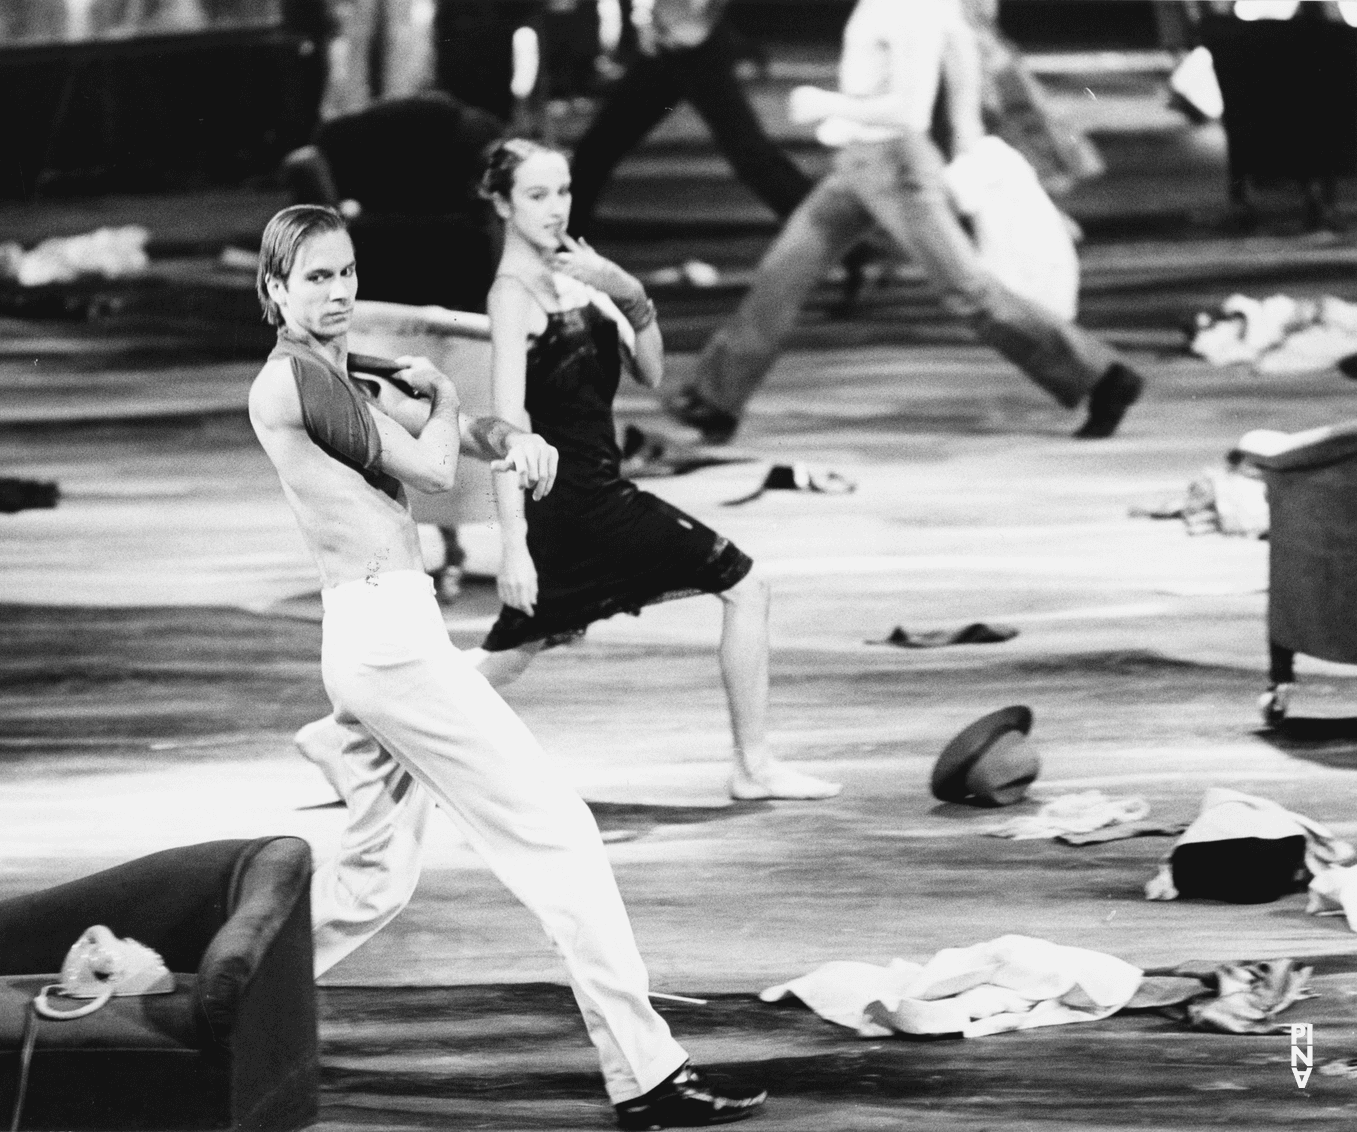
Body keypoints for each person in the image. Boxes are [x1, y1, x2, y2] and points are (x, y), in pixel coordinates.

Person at [248, 204, 766, 1129]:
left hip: (383, 640)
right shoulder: (293, 381)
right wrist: (450, 406)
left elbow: (463, 433)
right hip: (389, 645)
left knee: (373, 884)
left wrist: (510, 437)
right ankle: (646, 1077)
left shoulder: (339, 363)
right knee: (559, 833)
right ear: (275, 288)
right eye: (318, 277)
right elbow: (430, 467)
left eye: (347, 273)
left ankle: (201, 993)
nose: (338, 292)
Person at [472, 138, 840, 802]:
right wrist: (513, 549)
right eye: (536, 196)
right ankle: (752, 767)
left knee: (517, 649)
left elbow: (650, 370)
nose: (555, 209)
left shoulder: (572, 275)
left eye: (563, 192)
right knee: (743, 582)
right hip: (578, 501)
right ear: (500, 203)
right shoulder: (511, 295)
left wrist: (631, 293)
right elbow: (507, 429)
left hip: (594, 491)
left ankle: (352, 733)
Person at [667, 0, 1146, 445]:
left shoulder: (906, 9)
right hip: (860, 164)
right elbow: (961, 39)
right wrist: (963, 125)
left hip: (894, 167)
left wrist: (824, 104)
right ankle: (715, 401)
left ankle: (1104, 378)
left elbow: (908, 112)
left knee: (968, 291)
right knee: (781, 274)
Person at [566, 0, 812, 236]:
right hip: (677, 38)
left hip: (687, 42)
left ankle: (826, 230)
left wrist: (668, 23)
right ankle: (562, 235)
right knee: (597, 149)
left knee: (598, 148)